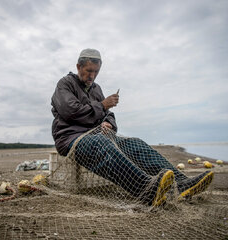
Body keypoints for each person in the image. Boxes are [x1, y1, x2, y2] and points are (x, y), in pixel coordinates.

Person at [51, 48, 214, 207]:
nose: (92, 76)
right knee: (101, 143)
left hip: (98, 134)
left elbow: (108, 115)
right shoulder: (65, 84)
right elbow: (70, 112)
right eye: (88, 71)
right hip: (71, 138)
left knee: (135, 143)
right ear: (78, 67)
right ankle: (147, 190)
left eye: (96, 72)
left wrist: (108, 123)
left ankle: (182, 184)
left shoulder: (96, 89)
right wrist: (102, 105)